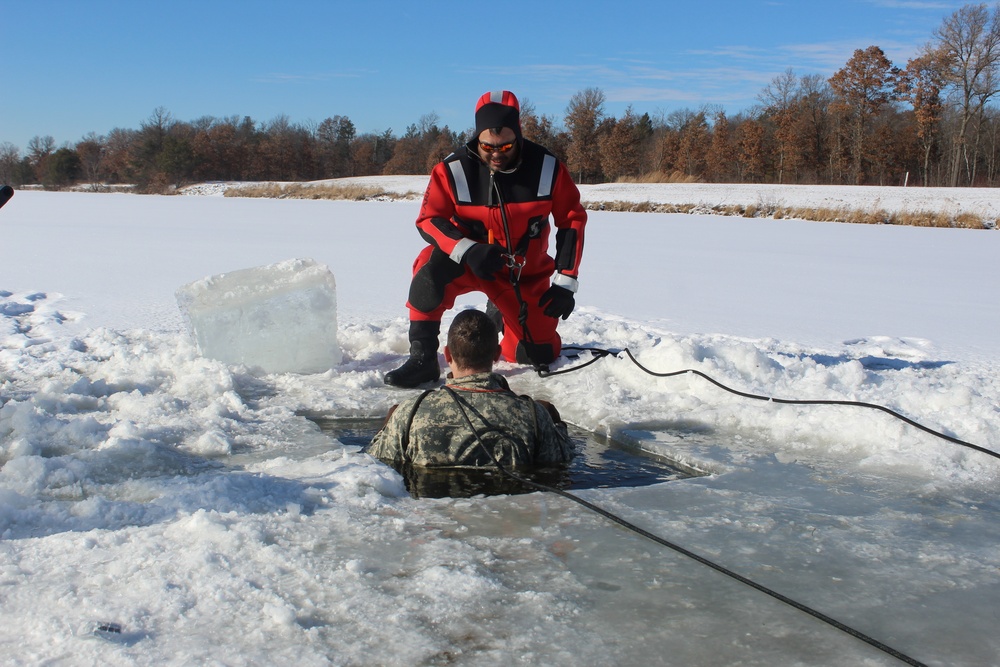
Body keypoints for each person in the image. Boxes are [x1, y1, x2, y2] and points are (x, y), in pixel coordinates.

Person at [383, 90, 588, 388]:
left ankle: (503, 317)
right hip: (468, 264)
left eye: (505, 145)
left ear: (518, 137)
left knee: (535, 353)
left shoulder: (547, 168)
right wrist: (467, 251)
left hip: (523, 274)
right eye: (487, 146)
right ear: (477, 138)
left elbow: (571, 219)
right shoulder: (453, 170)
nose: (495, 153)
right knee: (428, 268)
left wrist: (566, 281)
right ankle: (423, 358)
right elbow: (428, 220)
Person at [366, 309, 575, 470]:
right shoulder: (534, 416)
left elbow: (375, 461)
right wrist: (554, 422)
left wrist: (389, 424)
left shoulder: (410, 415)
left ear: (447, 355)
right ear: (497, 354)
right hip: (508, 522)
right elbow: (561, 461)